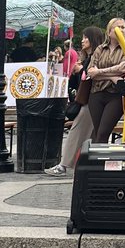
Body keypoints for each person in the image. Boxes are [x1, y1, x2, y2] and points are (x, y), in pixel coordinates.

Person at [45, 25, 104, 178]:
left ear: (93, 39)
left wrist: (81, 71)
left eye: (86, 37)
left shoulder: (95, 57)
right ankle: (87, 165)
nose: (83, 40)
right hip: (90, 100)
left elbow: (91, 77)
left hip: (91, 100)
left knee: (77, 131)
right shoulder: (87, 57)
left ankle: (64, 165)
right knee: (91, 134)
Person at [86, 17, 125, 144]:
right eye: (118, 27)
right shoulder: (100, 48)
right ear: (109, 31)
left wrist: (99, 71)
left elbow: (124, 68)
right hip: (97, 93)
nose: (121, 30)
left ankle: (98, 161)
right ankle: (95, 160)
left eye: (123, 27)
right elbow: (90, 72)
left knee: (103, 132)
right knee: (97, 130)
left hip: (115, 94)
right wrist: (111, 76)